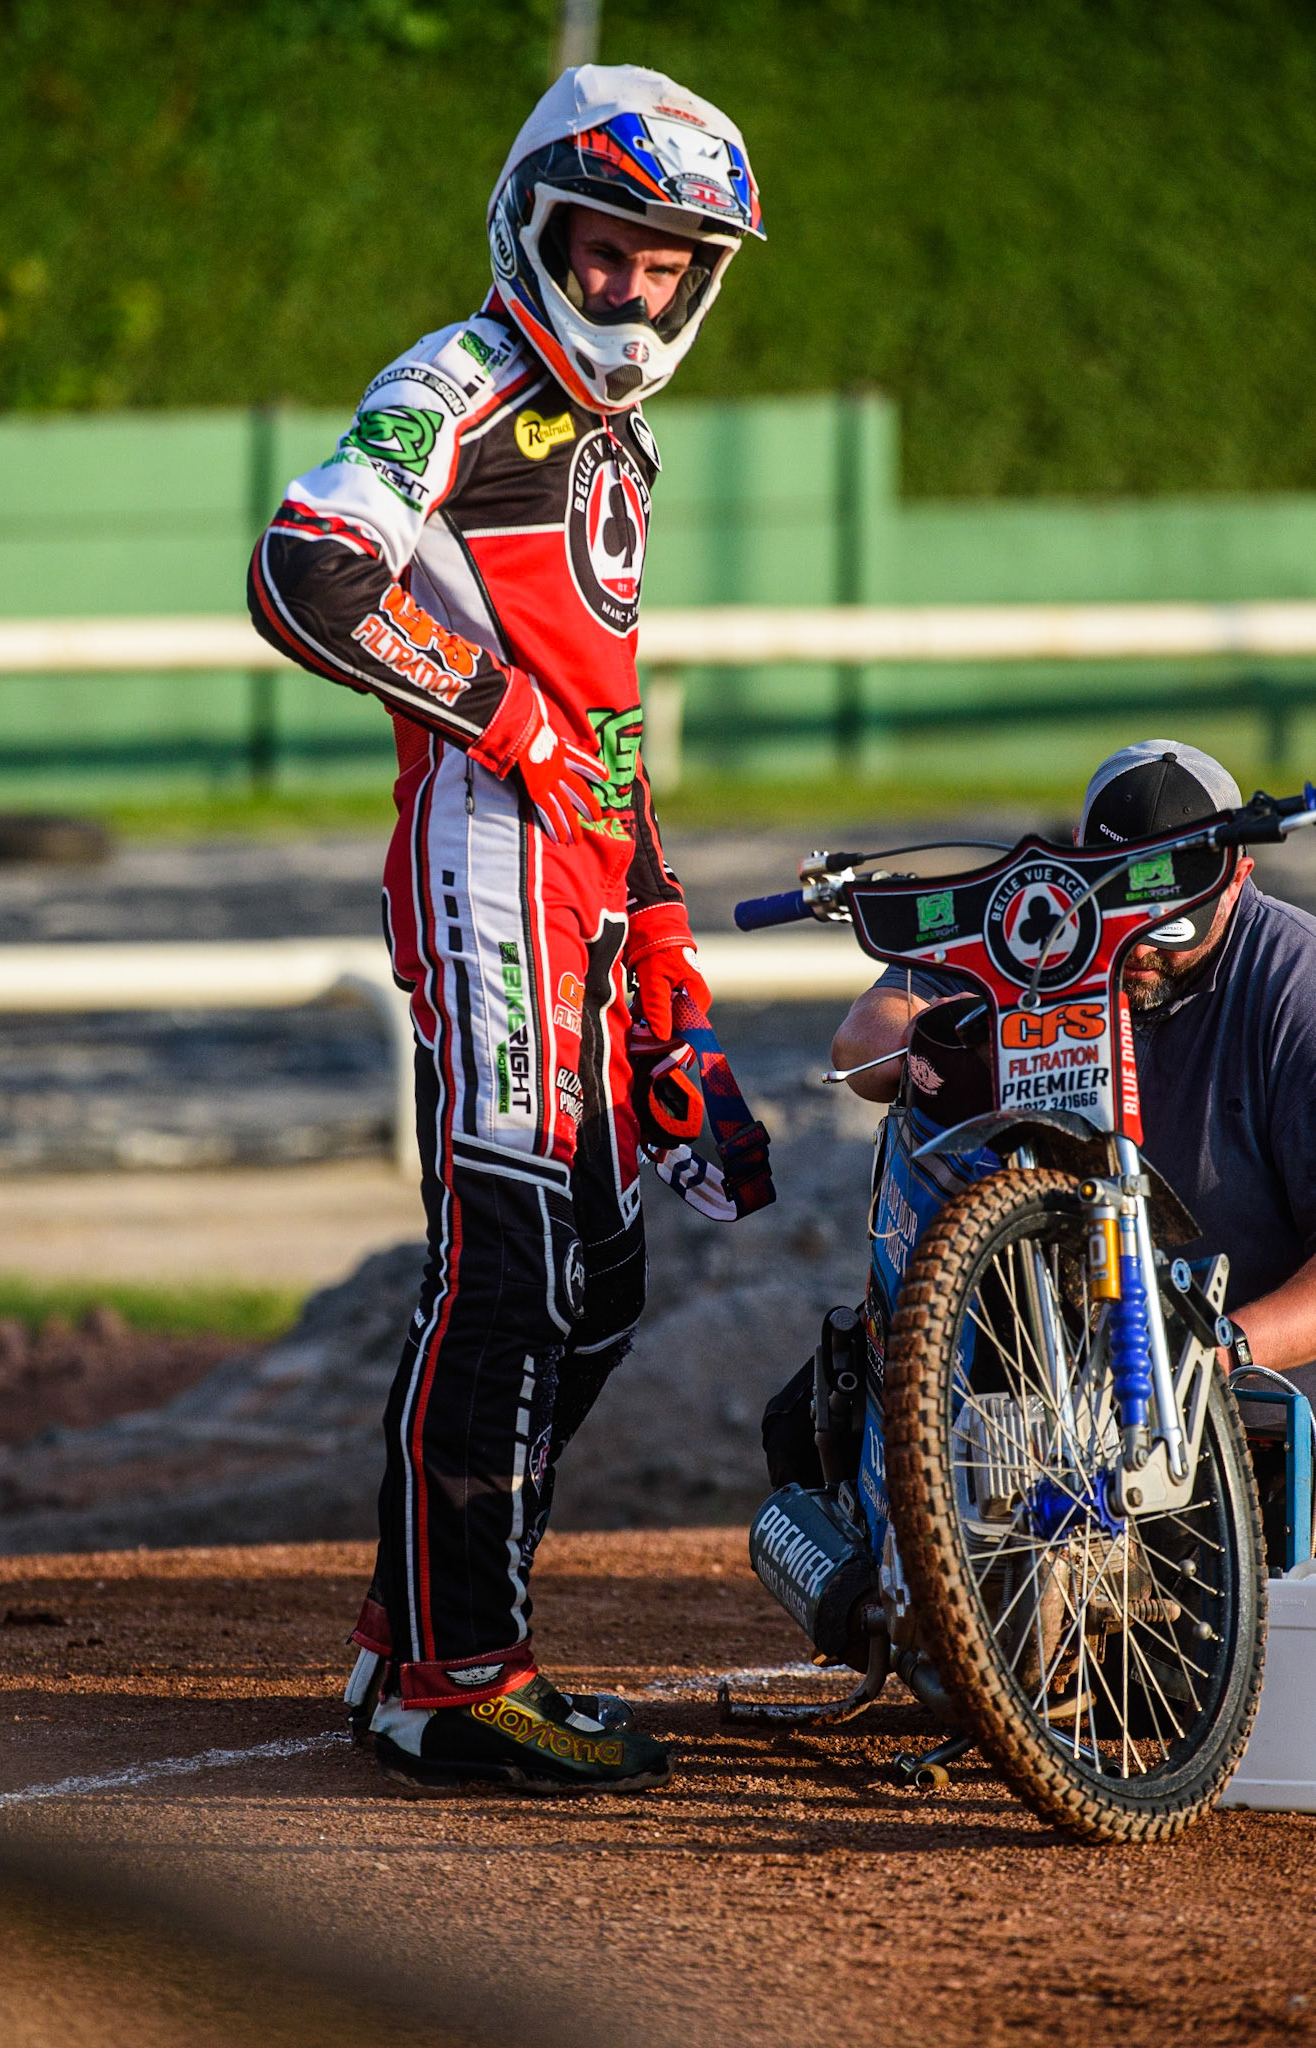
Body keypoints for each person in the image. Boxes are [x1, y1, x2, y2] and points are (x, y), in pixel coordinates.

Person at [248, 65, 763, 1794]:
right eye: (605, 254)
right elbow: (306, 569)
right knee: (512, 1264)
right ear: (532, 229)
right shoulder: (459, 378)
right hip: (484, 862)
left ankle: (425, 1626)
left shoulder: (611, 437)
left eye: (670, 268)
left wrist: (676, 1003)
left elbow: (609, 732)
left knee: (601, 1280)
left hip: (587, 891)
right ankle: (455, 1674)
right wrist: (503, 720)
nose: (632, 294)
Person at [830, 739, 1316, 1394]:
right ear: (1079, 854)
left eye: (1169, 926)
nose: (1139, 946)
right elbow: (861, 1048)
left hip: (1242, 1400)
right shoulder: (1028, 913)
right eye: (1116, 910)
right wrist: (955, 1041)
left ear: (1236, 878)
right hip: (1035, 1380)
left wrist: (1214, 1352)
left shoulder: (1297, 988)